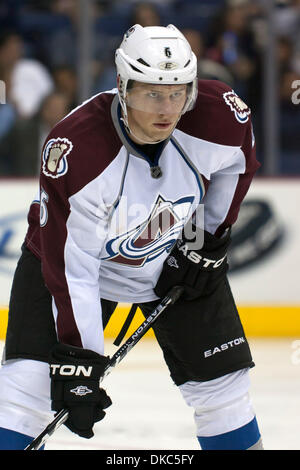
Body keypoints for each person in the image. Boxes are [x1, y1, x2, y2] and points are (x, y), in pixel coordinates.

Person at [0, 24, 263, 450]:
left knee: (224, 392)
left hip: (175, 252)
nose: (167, 109)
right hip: (73, 266)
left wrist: (207, 241)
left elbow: (240, 162)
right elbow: (74, 271)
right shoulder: (77, 149)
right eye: (151, 93)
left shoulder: (217, 116)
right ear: (122, 85)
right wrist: (79, 359)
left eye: (178, 93)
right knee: (24, 394)